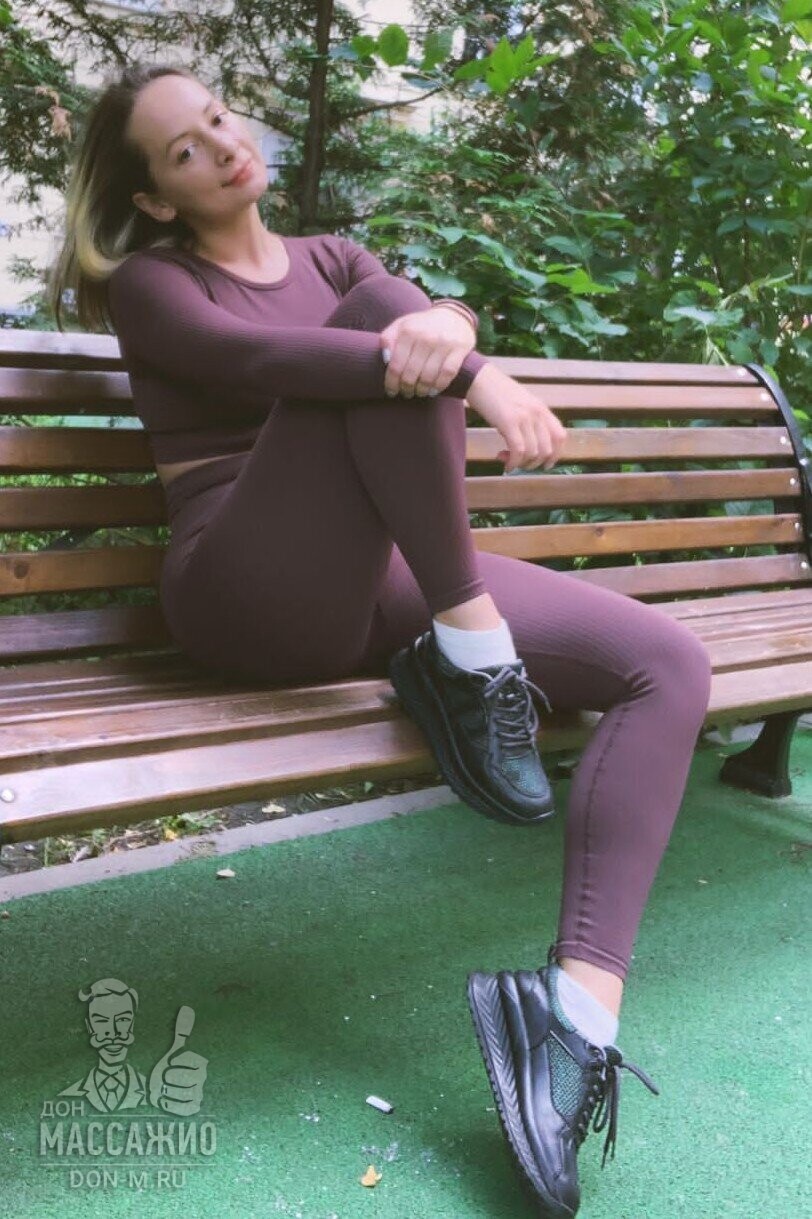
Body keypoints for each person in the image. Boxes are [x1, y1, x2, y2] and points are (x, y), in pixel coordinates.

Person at [48, 60, 713, 1216]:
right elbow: (269, 362)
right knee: (378, 330)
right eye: (184, 149)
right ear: (154, 196)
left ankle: (572, 1016)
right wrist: (467, 366)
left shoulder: (334, 258)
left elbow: (415, 321)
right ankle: (471, 657)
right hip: (243, 589)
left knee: (668, 665)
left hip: (379, 577)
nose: (222, 145)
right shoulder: (154, 284)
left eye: (218, 119)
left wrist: (452, 324)